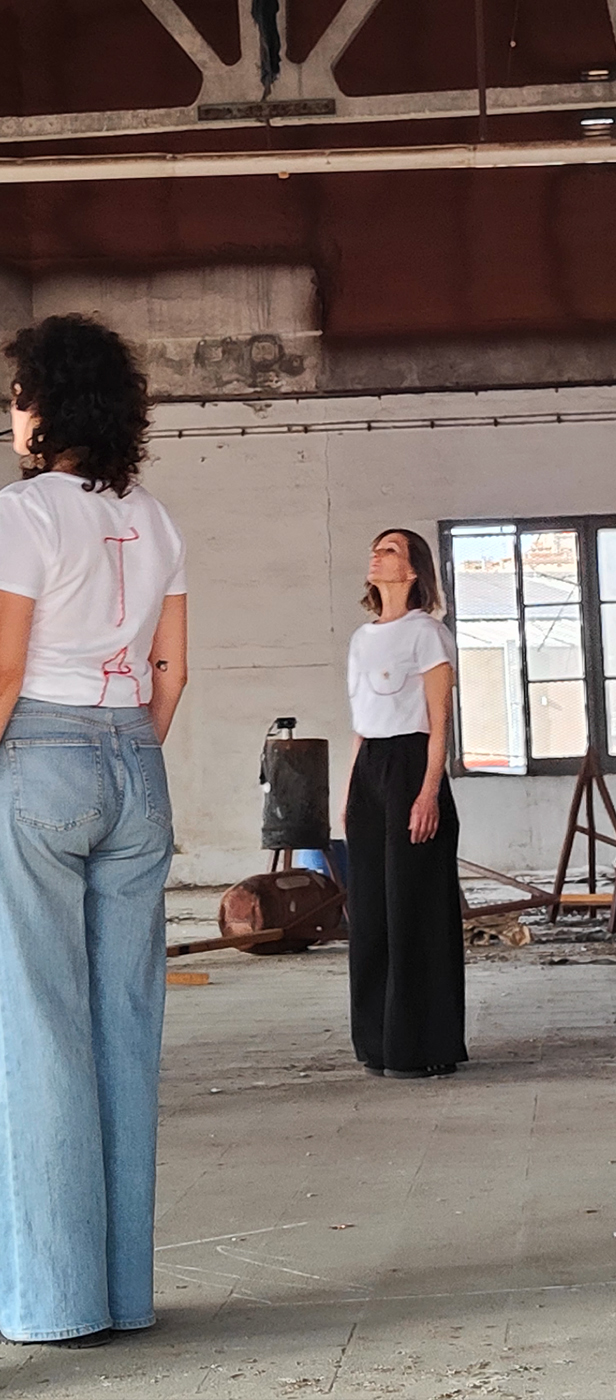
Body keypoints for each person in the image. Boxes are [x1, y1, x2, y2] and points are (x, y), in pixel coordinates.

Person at [0, 315, 187, 1344]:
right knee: (125, 1024)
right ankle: (123, 1294)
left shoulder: (22, 514)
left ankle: (55, 1302)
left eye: (17, 394)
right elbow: (173, 670)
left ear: (43, 406)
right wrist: (129, 757)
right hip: (134, 762)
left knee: (39, 1025)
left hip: (40, 753)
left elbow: (4, 667)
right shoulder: (155, 519)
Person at [343, 528, 467, 1080]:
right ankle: (377, 1042)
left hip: (413, 765)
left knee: (414, 907)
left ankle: (422, 1044)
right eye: (375, 548)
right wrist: (349, 794)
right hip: (369, 769)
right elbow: (360, 723)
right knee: (370, 910)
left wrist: (429, 791)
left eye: (389, 550)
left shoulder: (428, 634)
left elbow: (440, 722)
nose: (376, 555)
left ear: (413, 570)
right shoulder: (361, 639)